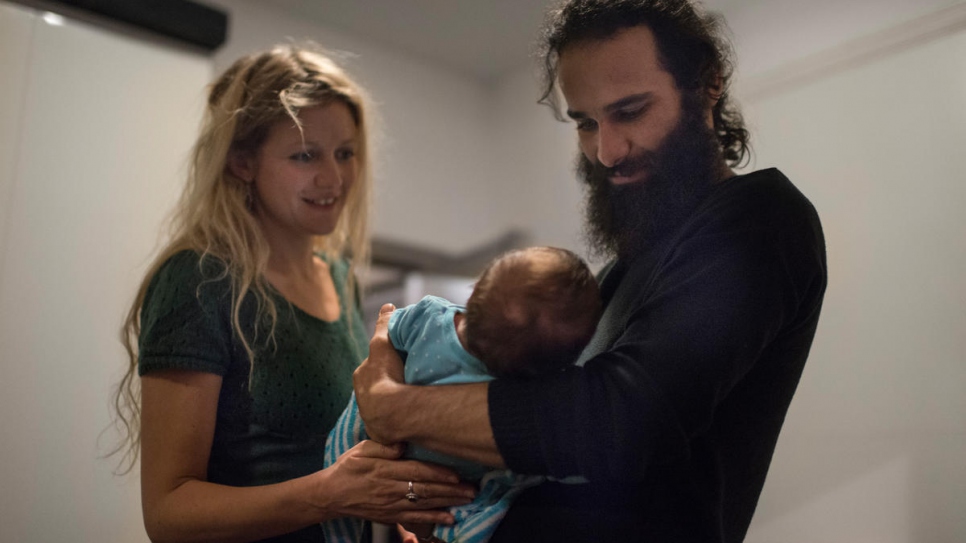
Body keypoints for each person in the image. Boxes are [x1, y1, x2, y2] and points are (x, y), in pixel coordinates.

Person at [352, 1, 828, 542]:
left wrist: (395, 406)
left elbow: (620, 420)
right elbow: (537, 446)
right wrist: (425, 501)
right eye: (585, 123)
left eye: (630, 112)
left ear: (707, 82)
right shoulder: (616, 279)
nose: (606, 151)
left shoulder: (762, 219)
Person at [109, 44, 474, 543]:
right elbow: (169, 513)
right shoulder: (199, 279)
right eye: (305, 155)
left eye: (345, 153)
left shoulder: (338, 275)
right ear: (242, 162)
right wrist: (331, 495)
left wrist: (397, 517)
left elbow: (342, 453)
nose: (335, 178)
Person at [323, 246, 602, 543]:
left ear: (475, 291)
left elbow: (387, 335)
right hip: (439, 482)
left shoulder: (430, 318)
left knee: (344, 448)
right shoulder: (521, 389)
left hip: (411, 472)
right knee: (493, 505)